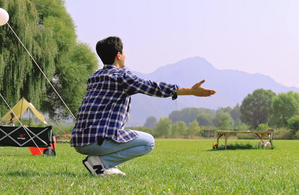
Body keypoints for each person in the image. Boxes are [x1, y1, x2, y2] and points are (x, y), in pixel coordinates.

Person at [71, 36, 216, 176]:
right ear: (118, 55)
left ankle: (108, 166)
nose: (125, 56)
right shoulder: (121, 76)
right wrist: (190, 91)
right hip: (97, 141)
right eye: (124, 52)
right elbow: (152, 87)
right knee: (148, 142)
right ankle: (101, 163)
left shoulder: (94, 77)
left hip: (80, 141)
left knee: (115, 131)